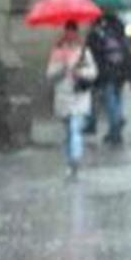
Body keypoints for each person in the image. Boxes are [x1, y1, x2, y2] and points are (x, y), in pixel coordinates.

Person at [46, 21, 97, 180]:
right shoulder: (57, 52)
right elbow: (49, 74)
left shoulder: (84, 51)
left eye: (72, 32)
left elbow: (93, 72)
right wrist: (62, 69)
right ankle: (70, 162)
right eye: (67, 31)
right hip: (63, 96)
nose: (70, 35)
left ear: (76, 33)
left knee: (75, 128)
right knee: (68, 131)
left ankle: (75, 159)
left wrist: (79, 73)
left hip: (79, 96)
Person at [86, 11, 130, 146]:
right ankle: (117, 120)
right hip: (121, 70)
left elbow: (92, 53)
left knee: (110, 99)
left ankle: (115, 128)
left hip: (106, 71)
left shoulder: (96, 32)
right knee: (117, 97)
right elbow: (127, 47)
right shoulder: (119, 27)